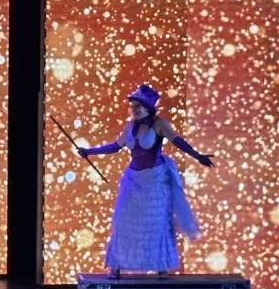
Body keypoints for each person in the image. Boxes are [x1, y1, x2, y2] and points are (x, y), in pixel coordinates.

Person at [78, 83, 213, 277]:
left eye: (138, 106)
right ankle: (116, 265)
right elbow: (115, 146)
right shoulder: (130, 126)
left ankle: (161, 267)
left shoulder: (160, 124)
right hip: (133, 181)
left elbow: (178, 141)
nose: (134, 109)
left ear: (148, 107)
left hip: (155, 181)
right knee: (124, 221)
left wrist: (198, 155)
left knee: (156, 223)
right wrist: (89, 151)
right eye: (132, 106)